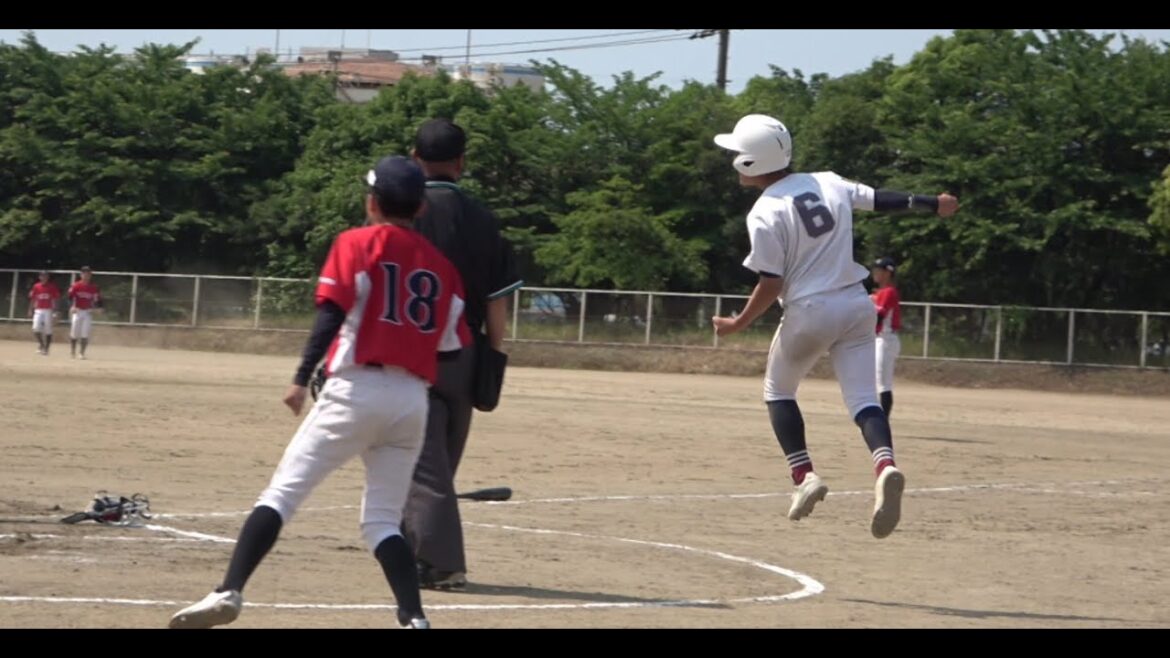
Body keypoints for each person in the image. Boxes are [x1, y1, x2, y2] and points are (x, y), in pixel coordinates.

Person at [168, 156, 469, 629]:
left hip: (356, 388)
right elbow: (452, 349)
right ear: (421, 210)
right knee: (382, 522)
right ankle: (413, 619)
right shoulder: (443, 269)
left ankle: (228, 590)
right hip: (412, 401)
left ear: (372, 202)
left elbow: (331, 313)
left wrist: (299, 376)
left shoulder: (356, 242)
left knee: (283, 494)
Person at [710, 114, 958, 539]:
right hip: (856, 304)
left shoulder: (765, 211)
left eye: (737, 153)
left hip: (810, 310)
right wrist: (934, 204)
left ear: (750, 162)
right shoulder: (828, 181)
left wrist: (738, 323)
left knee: (778, 391)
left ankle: (804, 476)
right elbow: (884, 200)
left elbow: (771, 283)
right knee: (865, 400)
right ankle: (886, 465)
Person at [403, 118, 522, 590]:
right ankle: (414, 548)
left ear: (415, 158)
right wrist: (493, 357)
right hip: (467, 349)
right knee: (439, 461)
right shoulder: (482, 217)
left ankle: (443, 561)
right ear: (461, 163)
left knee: (421, 464)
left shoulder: (402, 212)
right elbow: (497, 299)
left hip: (411, 351)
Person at [870, 257, 901, 418]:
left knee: (883, 383)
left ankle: (883, 421)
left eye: (879, 270)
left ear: (888, 273)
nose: (875, 273)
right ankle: (878, 417)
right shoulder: (879, 293)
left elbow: (879, 316)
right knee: (876, 381)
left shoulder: (889, 292)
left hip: (886, 339)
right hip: (878, 340)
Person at [68, 266, 102, 360]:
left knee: (85, 333)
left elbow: (98, 299)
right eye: (84, 273)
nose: (86, 275)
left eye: (88, 273)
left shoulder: (94, 287)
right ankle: (73, 351)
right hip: (77, 311)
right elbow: (69, 298)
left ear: (90, 275)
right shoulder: (75, 285)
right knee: (74, 332)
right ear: (81, 275)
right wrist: (72, 306)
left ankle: (81, 353)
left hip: (87, 312)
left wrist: (99, 308)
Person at [28, 270, 61, 356]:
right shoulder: (36, 286)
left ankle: (46, 348)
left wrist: (56, 311)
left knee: (48, 329)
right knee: (35, 328)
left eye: (45, 276)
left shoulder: (52, 286)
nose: (44, 277)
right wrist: (30, 309)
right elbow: (33, 298)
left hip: (48, 310)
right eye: (42, 276)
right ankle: (42, 345)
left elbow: (56, 299)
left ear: (48, 277)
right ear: (39, 277)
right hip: (38, 309)